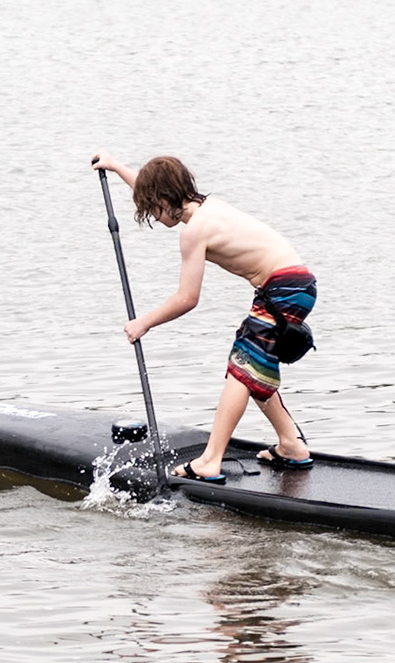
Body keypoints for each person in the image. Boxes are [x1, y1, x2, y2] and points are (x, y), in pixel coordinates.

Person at [90, 152, 317, 483]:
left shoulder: (194, 231)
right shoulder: (207, 208)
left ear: (165, 200)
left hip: (284, 288)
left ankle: (211, 460)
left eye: (153, 208)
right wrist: (116, 167)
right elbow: (153, 186)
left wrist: (144, 322)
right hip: (290, 284)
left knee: (242, 368)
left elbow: (187, 298)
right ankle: (291, 444)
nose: (154, 216)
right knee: (253, 369)